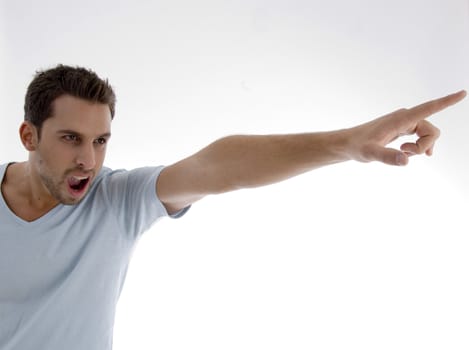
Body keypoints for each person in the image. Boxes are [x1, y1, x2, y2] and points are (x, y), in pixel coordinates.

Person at [0, 64, 465, 349]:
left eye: (100, 141)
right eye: (70, 139)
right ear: (29, 136)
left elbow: (218, 166)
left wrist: (345, 143)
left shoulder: (116, 201)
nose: (89, 159)